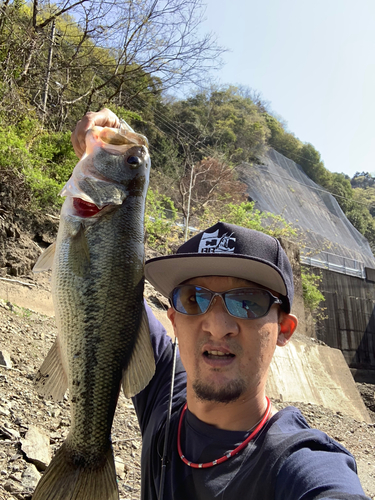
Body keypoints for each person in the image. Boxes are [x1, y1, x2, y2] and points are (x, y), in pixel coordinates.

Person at [72, 111, 370, 500]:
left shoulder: (300, 464)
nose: (216, 325)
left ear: (284, 329)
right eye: (194, 298)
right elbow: (105, 290)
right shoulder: (165, 393)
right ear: (173, 319)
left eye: (245, 303)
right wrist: (110, 142)